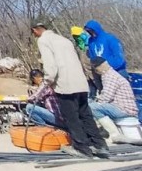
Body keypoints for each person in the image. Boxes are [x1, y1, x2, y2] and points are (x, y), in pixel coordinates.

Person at [32, 21, 109, 158]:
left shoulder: (44, 40)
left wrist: (47, 81)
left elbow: (50, 65)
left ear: (35, 30)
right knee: (86, 115)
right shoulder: (64, 40)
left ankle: (81, 148)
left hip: (65, 84)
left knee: (72, 117)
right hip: (80, 82)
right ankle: (99, 144)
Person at [89, 57, 140, 144]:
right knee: (93, 105)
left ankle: (113, 134)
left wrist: (96, 101)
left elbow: (106, 97)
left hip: (123, 109)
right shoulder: (111, 74)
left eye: (95, 69)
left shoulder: (110, 76)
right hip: (124, 107)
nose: (95, 72)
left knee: (93, 107)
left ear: (99, 67)